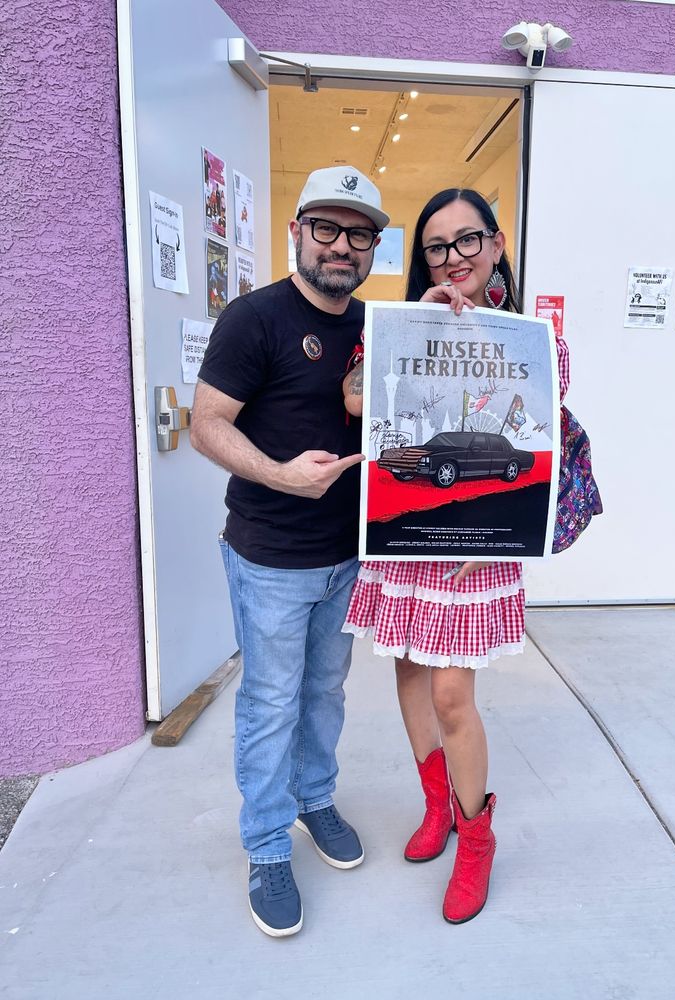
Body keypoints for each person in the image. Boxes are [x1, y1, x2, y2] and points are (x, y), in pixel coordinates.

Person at [342, 188, 569, 924]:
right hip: (407, 538)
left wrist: (500, 527)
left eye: (466, 241)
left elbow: (542, 438)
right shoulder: (399, 324)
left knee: (450, 695)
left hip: (479, 548)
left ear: (496, 244)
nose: (453, 257)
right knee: (408, 670)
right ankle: (434, 805)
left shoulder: (533, 336)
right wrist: (412, 330)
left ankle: (476, 840)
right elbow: (354, 401)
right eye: (437, 246)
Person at [190, 165, 388, 938]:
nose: (341, 246)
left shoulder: (376, 325)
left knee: (326, 691)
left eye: (359, 233)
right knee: (271, 702)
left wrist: (441, 317)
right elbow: (207, 423)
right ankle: (268, 844)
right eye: (327, 229)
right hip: (271, 553)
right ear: (297, 233)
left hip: (349, 552)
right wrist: (279, 476)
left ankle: (314, 799)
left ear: (374, 245)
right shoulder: (254, 318)